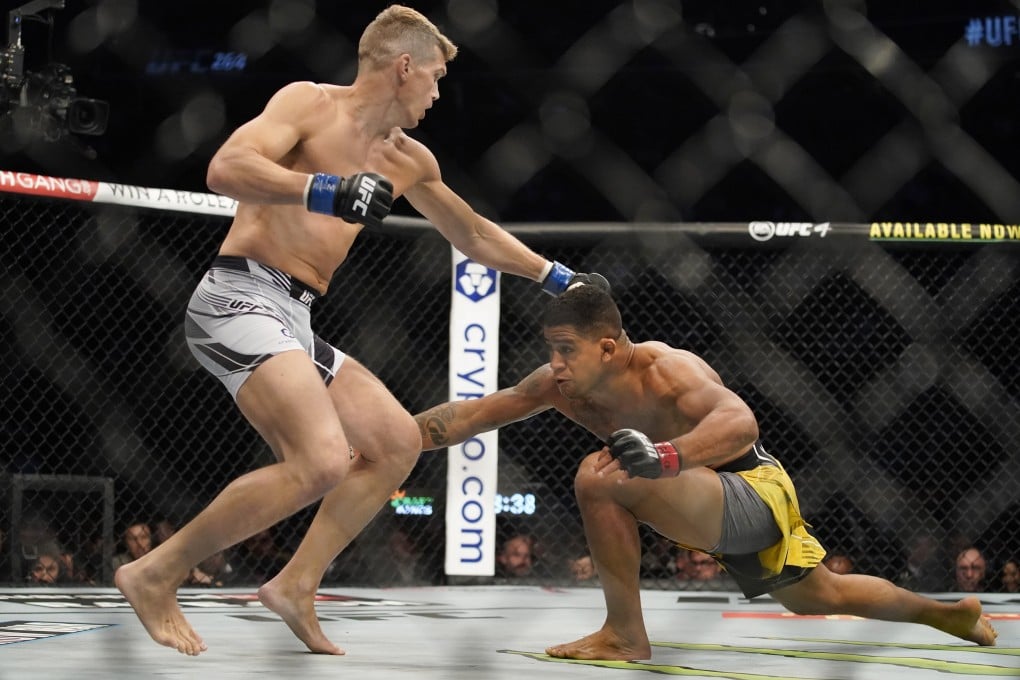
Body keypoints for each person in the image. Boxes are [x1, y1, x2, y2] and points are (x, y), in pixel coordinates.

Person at [114, 5, 602, 657]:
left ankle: (295, 584)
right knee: (319, 461)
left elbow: (474, 233)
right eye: (432, 78)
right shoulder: (309, 105)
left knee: (396, 441)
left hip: (293, 319)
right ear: (403, 68)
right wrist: (328, 192)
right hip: (238, 296)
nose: (435, 94)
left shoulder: (408, 160)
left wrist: (557, 277)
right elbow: (226, 169)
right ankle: (155, 571)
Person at [414, 284, 998, 661]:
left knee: (599, 474)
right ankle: (948, 614)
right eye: (553, 349)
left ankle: (624, 633)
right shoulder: (559, 386)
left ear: (610, 348)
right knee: (821, 594)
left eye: (568, 349)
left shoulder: (669, 371)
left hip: (751, 491)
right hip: (705, 503)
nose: (556, 364)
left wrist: (667, 457)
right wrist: (386, 442)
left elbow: (741, 423)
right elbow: (473, 414)